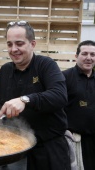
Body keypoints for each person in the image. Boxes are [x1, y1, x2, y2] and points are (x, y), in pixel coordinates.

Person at [0, 21, 71, 170]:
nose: (14, 49)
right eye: (9, 44)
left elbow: (59, 96)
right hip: (12, 148)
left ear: (32, 44)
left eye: (19, 43)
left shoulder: (45, 65)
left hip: (48, 148)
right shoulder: (5, 70)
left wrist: (25, 100)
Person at [62, 40, 95, 170]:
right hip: (74, 141)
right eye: (84, 53)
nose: (89, 58)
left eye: (92, 54)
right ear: (76, 56)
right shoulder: (64, 78)